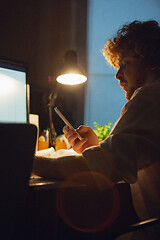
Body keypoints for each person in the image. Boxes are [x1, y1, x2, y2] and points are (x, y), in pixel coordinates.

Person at [33, 20, 160, 239]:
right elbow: (125, 157)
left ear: (152, 61)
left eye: (125, 64)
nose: (117, 75)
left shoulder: (150, 97)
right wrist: (94, 149)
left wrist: (26, 161)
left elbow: (97, 173)